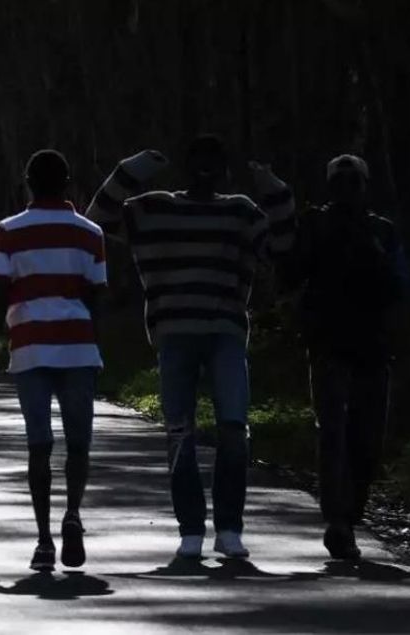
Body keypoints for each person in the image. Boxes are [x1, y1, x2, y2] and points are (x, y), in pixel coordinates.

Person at [85, 135, 295, 560]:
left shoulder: (241, 211)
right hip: (175, 334)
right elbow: (96, 221)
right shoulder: (154, 207)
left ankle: (230, 529)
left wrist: (274, 188)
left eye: (214, 164)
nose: (206, 171)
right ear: (186, 168)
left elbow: (283, 247)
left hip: (226, 333)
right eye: (199, 162)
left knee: (234, 430)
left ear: (225, 171)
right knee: (180, 433)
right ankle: (191, 531)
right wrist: (133, 169)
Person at [0, 150, 106, 572]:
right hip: (77, 347)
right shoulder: (90, 232)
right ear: (68, 182)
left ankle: (44, 539)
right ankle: (73, 512)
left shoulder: (9, 231)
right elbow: (96, 294)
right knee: (78, 443)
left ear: (27, 182)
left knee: (39, 445)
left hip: (30, 347)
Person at [283, 154, 408, 560]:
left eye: (354, 181)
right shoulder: (315, 225)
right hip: (328, 345)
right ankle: (338, 521)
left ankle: (351, 514)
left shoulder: (382, 231)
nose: (347, 189)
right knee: (332, 432)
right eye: (340, 181)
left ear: (365, 185)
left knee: (367, 439)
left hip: (373, 346)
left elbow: (400, 285)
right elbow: (290, 275)